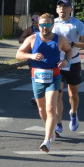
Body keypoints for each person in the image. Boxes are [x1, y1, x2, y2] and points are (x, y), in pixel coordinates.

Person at [15, 13, 72, 152]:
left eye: (47, 25)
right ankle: (50, 128)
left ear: (53, 25)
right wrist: (31, 55)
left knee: (50, 108)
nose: (44, 28)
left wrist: (66, 60)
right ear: (38, 25)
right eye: (42, 25)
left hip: (54, 77)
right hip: (37, 77)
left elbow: (69, 50)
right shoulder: (32, 38)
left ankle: (46, 141)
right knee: (41, 109)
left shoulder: (60, 39)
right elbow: (18, 54)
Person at [52, 0, 84, 135]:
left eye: (65, 6)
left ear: (71, 9)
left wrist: (73, 44)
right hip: (57, 63)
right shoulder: (52, 23)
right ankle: (58, 124)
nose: (62, 9)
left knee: (73, 94)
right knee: (57, 94)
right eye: (60, 6)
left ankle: (73, 113)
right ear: (57, 10)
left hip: (73, 62)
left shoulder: (77, 24)